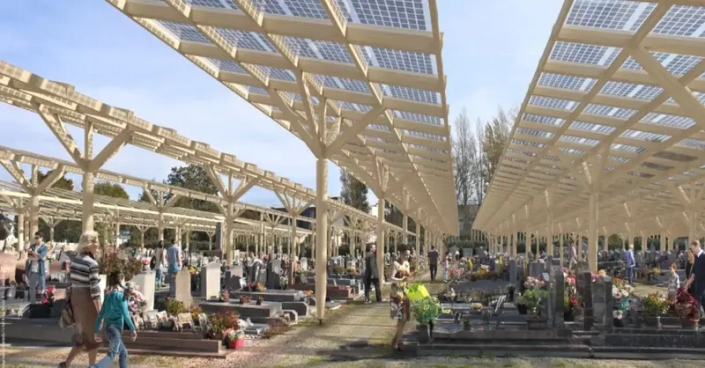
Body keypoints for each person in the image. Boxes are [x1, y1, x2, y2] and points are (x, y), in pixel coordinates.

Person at [59, 231, 103, 368]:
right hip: (88, 301)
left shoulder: (75, 260)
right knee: (93, 337)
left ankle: (66, 363)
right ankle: (91, 365)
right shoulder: (92, 264)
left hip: (76, 299)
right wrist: (101, 311)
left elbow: (70, 282)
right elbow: (94, 290)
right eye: (97, 244)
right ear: (90, 245)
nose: (98, 247)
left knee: (82, 336)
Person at [92, 271, 137, 368]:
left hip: (108, 330)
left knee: (123, 352)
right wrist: (133, 329)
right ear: (121, 281)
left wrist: (96, 331)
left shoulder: (108, 297)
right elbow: (126, 316)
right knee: (112, 354)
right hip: (115, 331)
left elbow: (100, 316)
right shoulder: (121, 297)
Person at [389, 247, 411, 351]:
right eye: (405, 254)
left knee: (405, 317)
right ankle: (400, 342)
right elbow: (390, 278)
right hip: (397, 292)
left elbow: (408, 277)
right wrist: (401, 279)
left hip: (405, 291)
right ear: (401, 253)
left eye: (408, 254)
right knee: (400, 317)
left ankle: (396, 339)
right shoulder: (395, 264)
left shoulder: (407, 263)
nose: (407, 256)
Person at [683, 240, 705, 317]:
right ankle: (698, 323)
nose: (692, 251)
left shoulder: (704, 256)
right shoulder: (696, 257)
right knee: (697, 304)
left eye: (693, 249)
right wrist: (686, 285)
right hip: (697, 287)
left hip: (703, 287)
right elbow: (694, 274)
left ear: (697, 246)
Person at [26, 232, 48, 304]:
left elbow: (42, 256)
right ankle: (33, 304)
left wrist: (33, 253)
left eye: (37, 238)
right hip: (32, 270)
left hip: (41, 271)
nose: (36, 239)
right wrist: (39, 257)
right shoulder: (32, 246)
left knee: (42, 288)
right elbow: (30, 257)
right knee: (32, 288)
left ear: (41, 238)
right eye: (35, 238)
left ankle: (43, 303)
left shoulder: (44, 247)